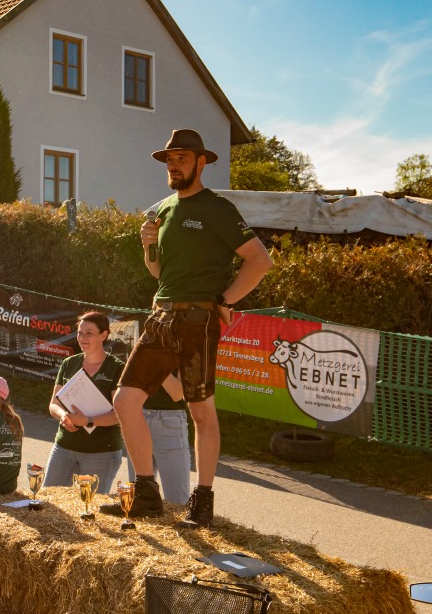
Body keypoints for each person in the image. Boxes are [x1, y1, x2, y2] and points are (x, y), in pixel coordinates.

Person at [112, 129, 273, 529]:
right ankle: (147, 493)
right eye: (170, 159)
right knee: (124, 401)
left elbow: (259, 260)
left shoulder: (217, 207)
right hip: (161, 315)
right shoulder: (163, 209)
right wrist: (148, 245)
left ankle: (202, 501)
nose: (174, 165)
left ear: (202, 163)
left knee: (200, 411)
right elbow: (159, 273)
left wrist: (227, 300)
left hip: (198, 322)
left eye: (182, 158)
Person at [42, 311, 124, 495]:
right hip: (64, 446)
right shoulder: (69, 363)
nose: (82, 338)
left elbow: (119, 414)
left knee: (90, 508)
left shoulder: (117, 367)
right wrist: (65, 417)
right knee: (49, 502)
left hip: (101, 451)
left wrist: (87, 420)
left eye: (89, 333)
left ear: (104, 335)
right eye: (79, 333)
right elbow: (53, 404)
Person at [118, 372, 191, 505]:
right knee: (140, 499)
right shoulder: (139, 349)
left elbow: (177, 393)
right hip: (139, 416)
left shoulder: (182, 350)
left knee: (178, 501)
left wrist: (156, 361)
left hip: (169, 421)